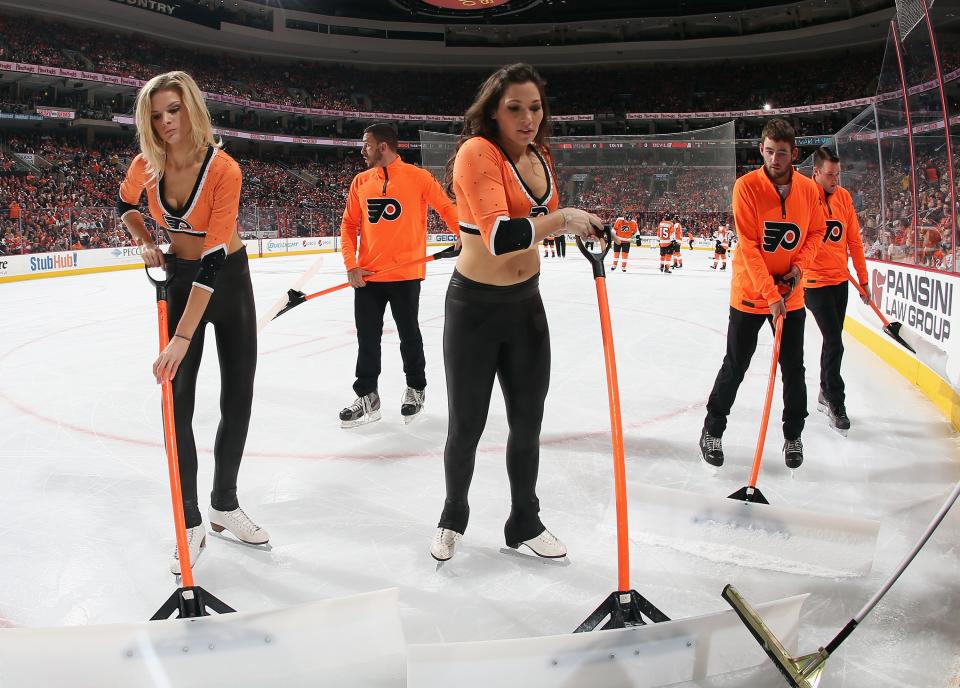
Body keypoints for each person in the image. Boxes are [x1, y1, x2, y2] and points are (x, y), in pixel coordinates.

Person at [432, 63, 603, 562]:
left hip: (526, 306)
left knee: (527, 422)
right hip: (475, 310)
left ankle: (524, 520)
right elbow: (502, 237)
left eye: (534, 107)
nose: (527, 118)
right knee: (467, 426)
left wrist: (583, 226)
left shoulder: (539, 157)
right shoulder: (476, 153)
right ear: (493, 112)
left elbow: (541, 226)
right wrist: (566, 218)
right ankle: (453, 515)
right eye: (514, 109)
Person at [117, 71, 267, 575]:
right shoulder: (147, 165)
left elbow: (214, 259)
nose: (165, 123)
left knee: (237, 397)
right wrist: (142, 237)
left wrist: (182, 336)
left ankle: (225, 503)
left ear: (192, 109)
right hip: (179, 278)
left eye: (173, 111)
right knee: (177, 404)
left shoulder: (224, 169)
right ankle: (191, 520)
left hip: (227, 280)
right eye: (156, 115)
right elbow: (124, 205)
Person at [699, 118, 826, 470]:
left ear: (793, 154)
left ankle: (793, 436)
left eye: (781, 153)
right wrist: (771, 294)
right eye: (768, 151)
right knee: (736, 365)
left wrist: (799, 269)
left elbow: (816, 233)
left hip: (792, 297)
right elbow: (750, 246)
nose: (774, 159)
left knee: (793, 369)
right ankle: (712, 429)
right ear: (761, 150)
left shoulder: (809, 190)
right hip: (751, 295)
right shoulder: (746, 187)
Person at [339, 123, 459, 427]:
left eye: (367, 144)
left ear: (383, 146)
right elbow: (348, 225)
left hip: (405, 274)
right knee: (367, 339)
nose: (362, 150)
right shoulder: (361, 181)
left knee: (409, 336)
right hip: (368, 276)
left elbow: (446, 208)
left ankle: (415, 389)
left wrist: (462, 233)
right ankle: (367, 396)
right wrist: (350, 266)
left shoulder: (418, 178)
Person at [803, 146, 870, 434]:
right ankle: (834, 398)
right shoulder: (803, 197)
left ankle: (823, 389)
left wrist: (863, 280)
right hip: (813, 282)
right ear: (815, 172)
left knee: (833, 341)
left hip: (839, 281)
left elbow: (853, 240)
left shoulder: (843, 198)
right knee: (834, 339)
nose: (835, 180)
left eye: (838, 174)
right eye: (830, 175)